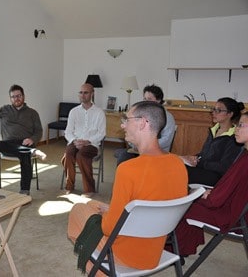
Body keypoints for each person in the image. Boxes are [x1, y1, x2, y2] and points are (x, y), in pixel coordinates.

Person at [67, 101, 188, 273]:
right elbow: (155, 202)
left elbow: (109, 228)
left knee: (79, 208)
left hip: (125, 252)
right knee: (92, 205)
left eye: (127, 119)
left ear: (143, 123)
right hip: (154, 248)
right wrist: (112, 210)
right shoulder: (178, 164)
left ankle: (101, 271)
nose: (123, 125)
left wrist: (109, 214)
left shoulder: (128, 169)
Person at [174, 111, 248, 257]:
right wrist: (211, 193)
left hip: (231, 215)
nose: (237, 128)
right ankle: (185, 247)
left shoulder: (245, 161)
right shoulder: (244, 155)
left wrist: (205, 195)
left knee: (180, 207)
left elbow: (217, 200)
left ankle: (178, 250)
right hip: (235, 209)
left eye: (241, 125)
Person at [0, 84, 45, 195]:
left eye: (18, 96)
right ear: (10, 98)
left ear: (23, 96)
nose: (16, 99)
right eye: (13, 97)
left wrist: (32, 139)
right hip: (9, 144)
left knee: (24, 154)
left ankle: (24, 190)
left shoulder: (32, 113)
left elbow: (39, 131)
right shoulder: (4, 109)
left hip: (25, 142)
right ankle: (32, 152)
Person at [180, 97, 244, 186]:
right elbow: (205, 154)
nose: (214, 113)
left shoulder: (233, 138)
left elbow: (224, 167)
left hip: (216, 176)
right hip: (204, 170)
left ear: (230, 114)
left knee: (180, 172)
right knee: (177, 166)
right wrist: (194, 158)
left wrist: (200, 163)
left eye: (219, 110)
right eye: (214, 109)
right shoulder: (214, 130)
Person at [61, 83, 106, 195]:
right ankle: (69, 186)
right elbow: (68, 131)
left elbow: (102, 133)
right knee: (68, 154)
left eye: (86, 92)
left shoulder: (99, 113)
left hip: (92, 144)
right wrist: (74, 141)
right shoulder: (74, 111)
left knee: (81, 156)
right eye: (80, 92)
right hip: (75, 142)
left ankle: (89, 189)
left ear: (92, 94)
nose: (83, 95)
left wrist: (87, 141)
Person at [115, 84, 176, 166]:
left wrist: (144, 145)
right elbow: (132, 134)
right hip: (138, 151)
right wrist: (135, 144)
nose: (146, 102)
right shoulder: (140, 114)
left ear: (158, 100)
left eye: (149, 99)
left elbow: (166, 140)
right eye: (145, 99)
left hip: (157, 154)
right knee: (123, 159)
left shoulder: (168, 117)